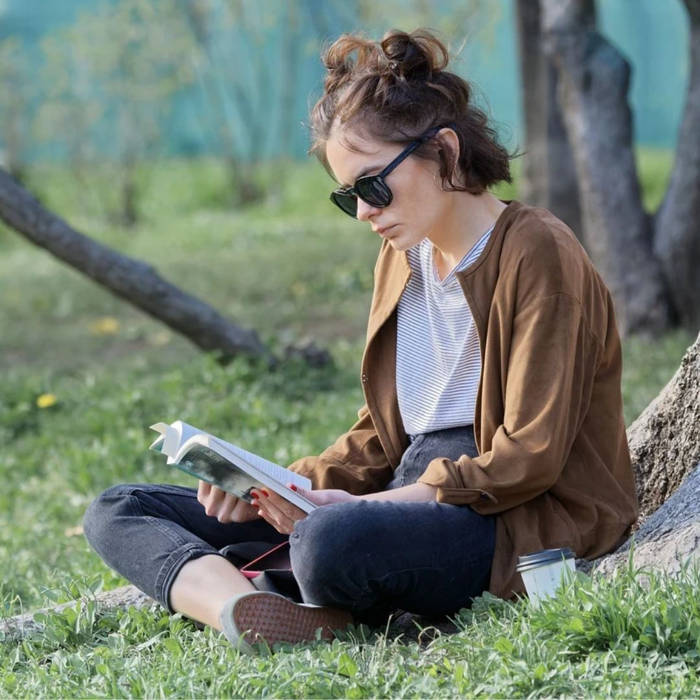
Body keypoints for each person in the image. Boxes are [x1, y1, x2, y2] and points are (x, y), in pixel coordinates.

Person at [83, 29, 638, 653]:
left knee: (332, 542)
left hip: (506, 514)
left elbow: (528, 456)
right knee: (120, 506)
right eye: (348, 198)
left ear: (445, 153)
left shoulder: (535, 249)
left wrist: (361, 509)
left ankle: (290, 587)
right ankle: (245, 609)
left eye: (373, 185)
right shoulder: (402, 255)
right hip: (405, 493)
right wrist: (277, 487)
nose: (366, 212)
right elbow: (380, 433)